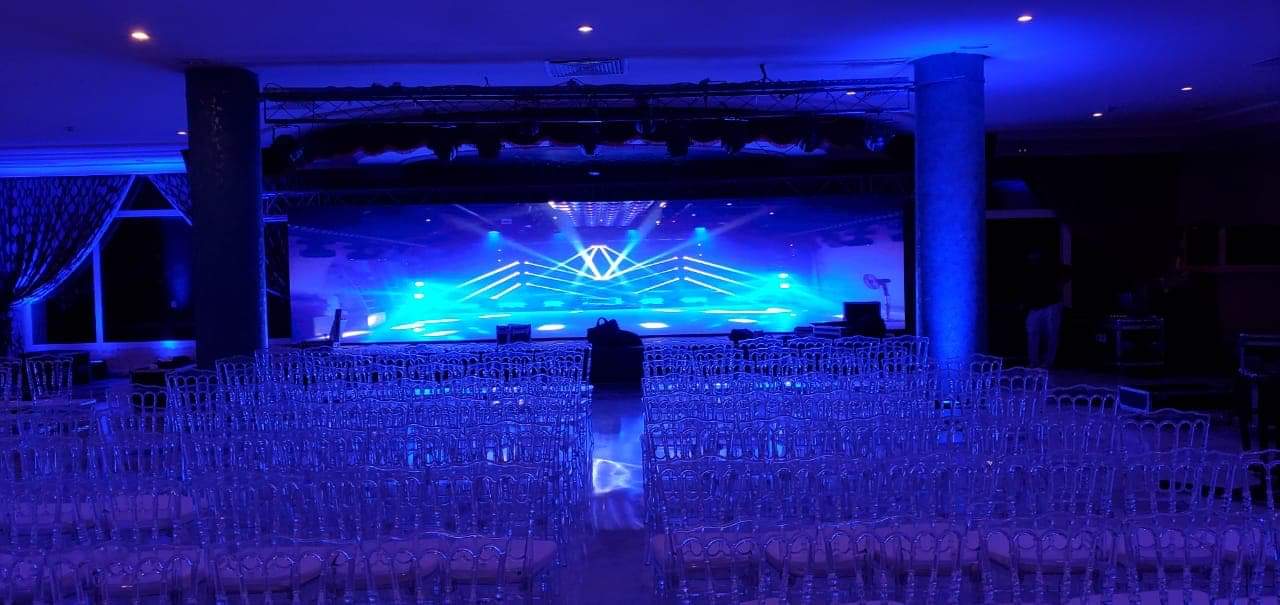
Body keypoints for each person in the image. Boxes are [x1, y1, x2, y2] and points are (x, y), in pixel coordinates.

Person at [1023, 251, 1069, 368]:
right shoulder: (1028, 270)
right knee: (1033, 334)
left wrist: (1059, 289)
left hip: (1050, 305)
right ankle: (1034, 362)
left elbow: (1066, 273)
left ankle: (1047, 363)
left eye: (1034, 254)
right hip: (1034, 307)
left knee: (1051, 335)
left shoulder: (1050, 266)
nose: (1031, 256)